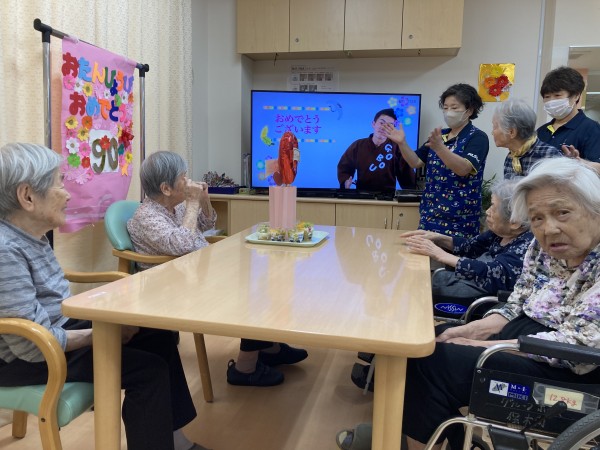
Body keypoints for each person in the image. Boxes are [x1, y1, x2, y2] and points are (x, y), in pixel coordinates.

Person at [336, 157, 600, 450]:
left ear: (595, 210)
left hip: (567, 366)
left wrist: (484, 346)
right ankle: (425, 435)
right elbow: (518, 301)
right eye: (537, 218)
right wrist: (473, 330)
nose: (548, 228)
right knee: (429, 339)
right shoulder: (539, 247)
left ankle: (409, 441)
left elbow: (578, 349)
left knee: (435, 360)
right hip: (524, 335)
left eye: (562, 212)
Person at [0, 143, 207, 450]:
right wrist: (99, 334)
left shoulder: (31, 235)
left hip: (55, 330)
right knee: (148, 371)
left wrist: (107, 321)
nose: (67, 194)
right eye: (59, 184)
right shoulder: (6, 250)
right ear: (27, 196)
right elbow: (30, 345)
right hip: (28, 356)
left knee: (158, 334)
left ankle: (175, 441)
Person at [127, 151, 308, 387]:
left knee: (264, 276)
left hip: (198, 273)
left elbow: (207, 223)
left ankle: (269, 348)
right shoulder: (147, 216)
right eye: (183, 177)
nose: (188, 181)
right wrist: (192, 203)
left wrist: (203, 199)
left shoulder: (175, 207)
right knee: (251, 289)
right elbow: (182, 244)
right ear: (166, 188)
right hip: (175, 286)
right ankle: (245, 368)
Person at [384, 84, 489, 239]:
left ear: (469, 110)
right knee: (422, 254)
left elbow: (464, 169)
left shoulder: (477, 137)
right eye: (445, 108)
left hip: (460, 220)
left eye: (454, 107)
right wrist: (402, 143)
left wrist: (440, 148)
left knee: (451, 255)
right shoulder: (441, 136)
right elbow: (415, 162)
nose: (448, 112)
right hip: (430, 215)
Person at [401, 177, 533, 301]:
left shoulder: (527, 247)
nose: (487, 211)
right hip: (470, 283)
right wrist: (436, 237)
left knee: (419, 292)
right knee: (423, 280)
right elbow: (470, 246)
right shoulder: (500, 233)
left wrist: (439, 254)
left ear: (514, 222)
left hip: (485, 295)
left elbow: (493, 273)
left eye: (493, 207)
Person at [337, 108, 416, 192]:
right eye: (381, 123)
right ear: (373, 124)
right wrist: (345, 182)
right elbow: (344, 166)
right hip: (361, 195)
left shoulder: (397, 148)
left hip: (388, 196)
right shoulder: (358, 145)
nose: (384, 127)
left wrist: (412, 192)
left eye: (389, 125)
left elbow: (407, 175)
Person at [537, 66, 600, 164]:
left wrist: (578, 163)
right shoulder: (541, 131)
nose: (551, 101)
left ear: (576, 96)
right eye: (547, 97)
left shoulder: (591, 128)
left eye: (557, 95)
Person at [492, 98, 563, 178]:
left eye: (495, 127)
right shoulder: (511, 157)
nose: (492, 132)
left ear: (512, 132)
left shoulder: (548, 155)